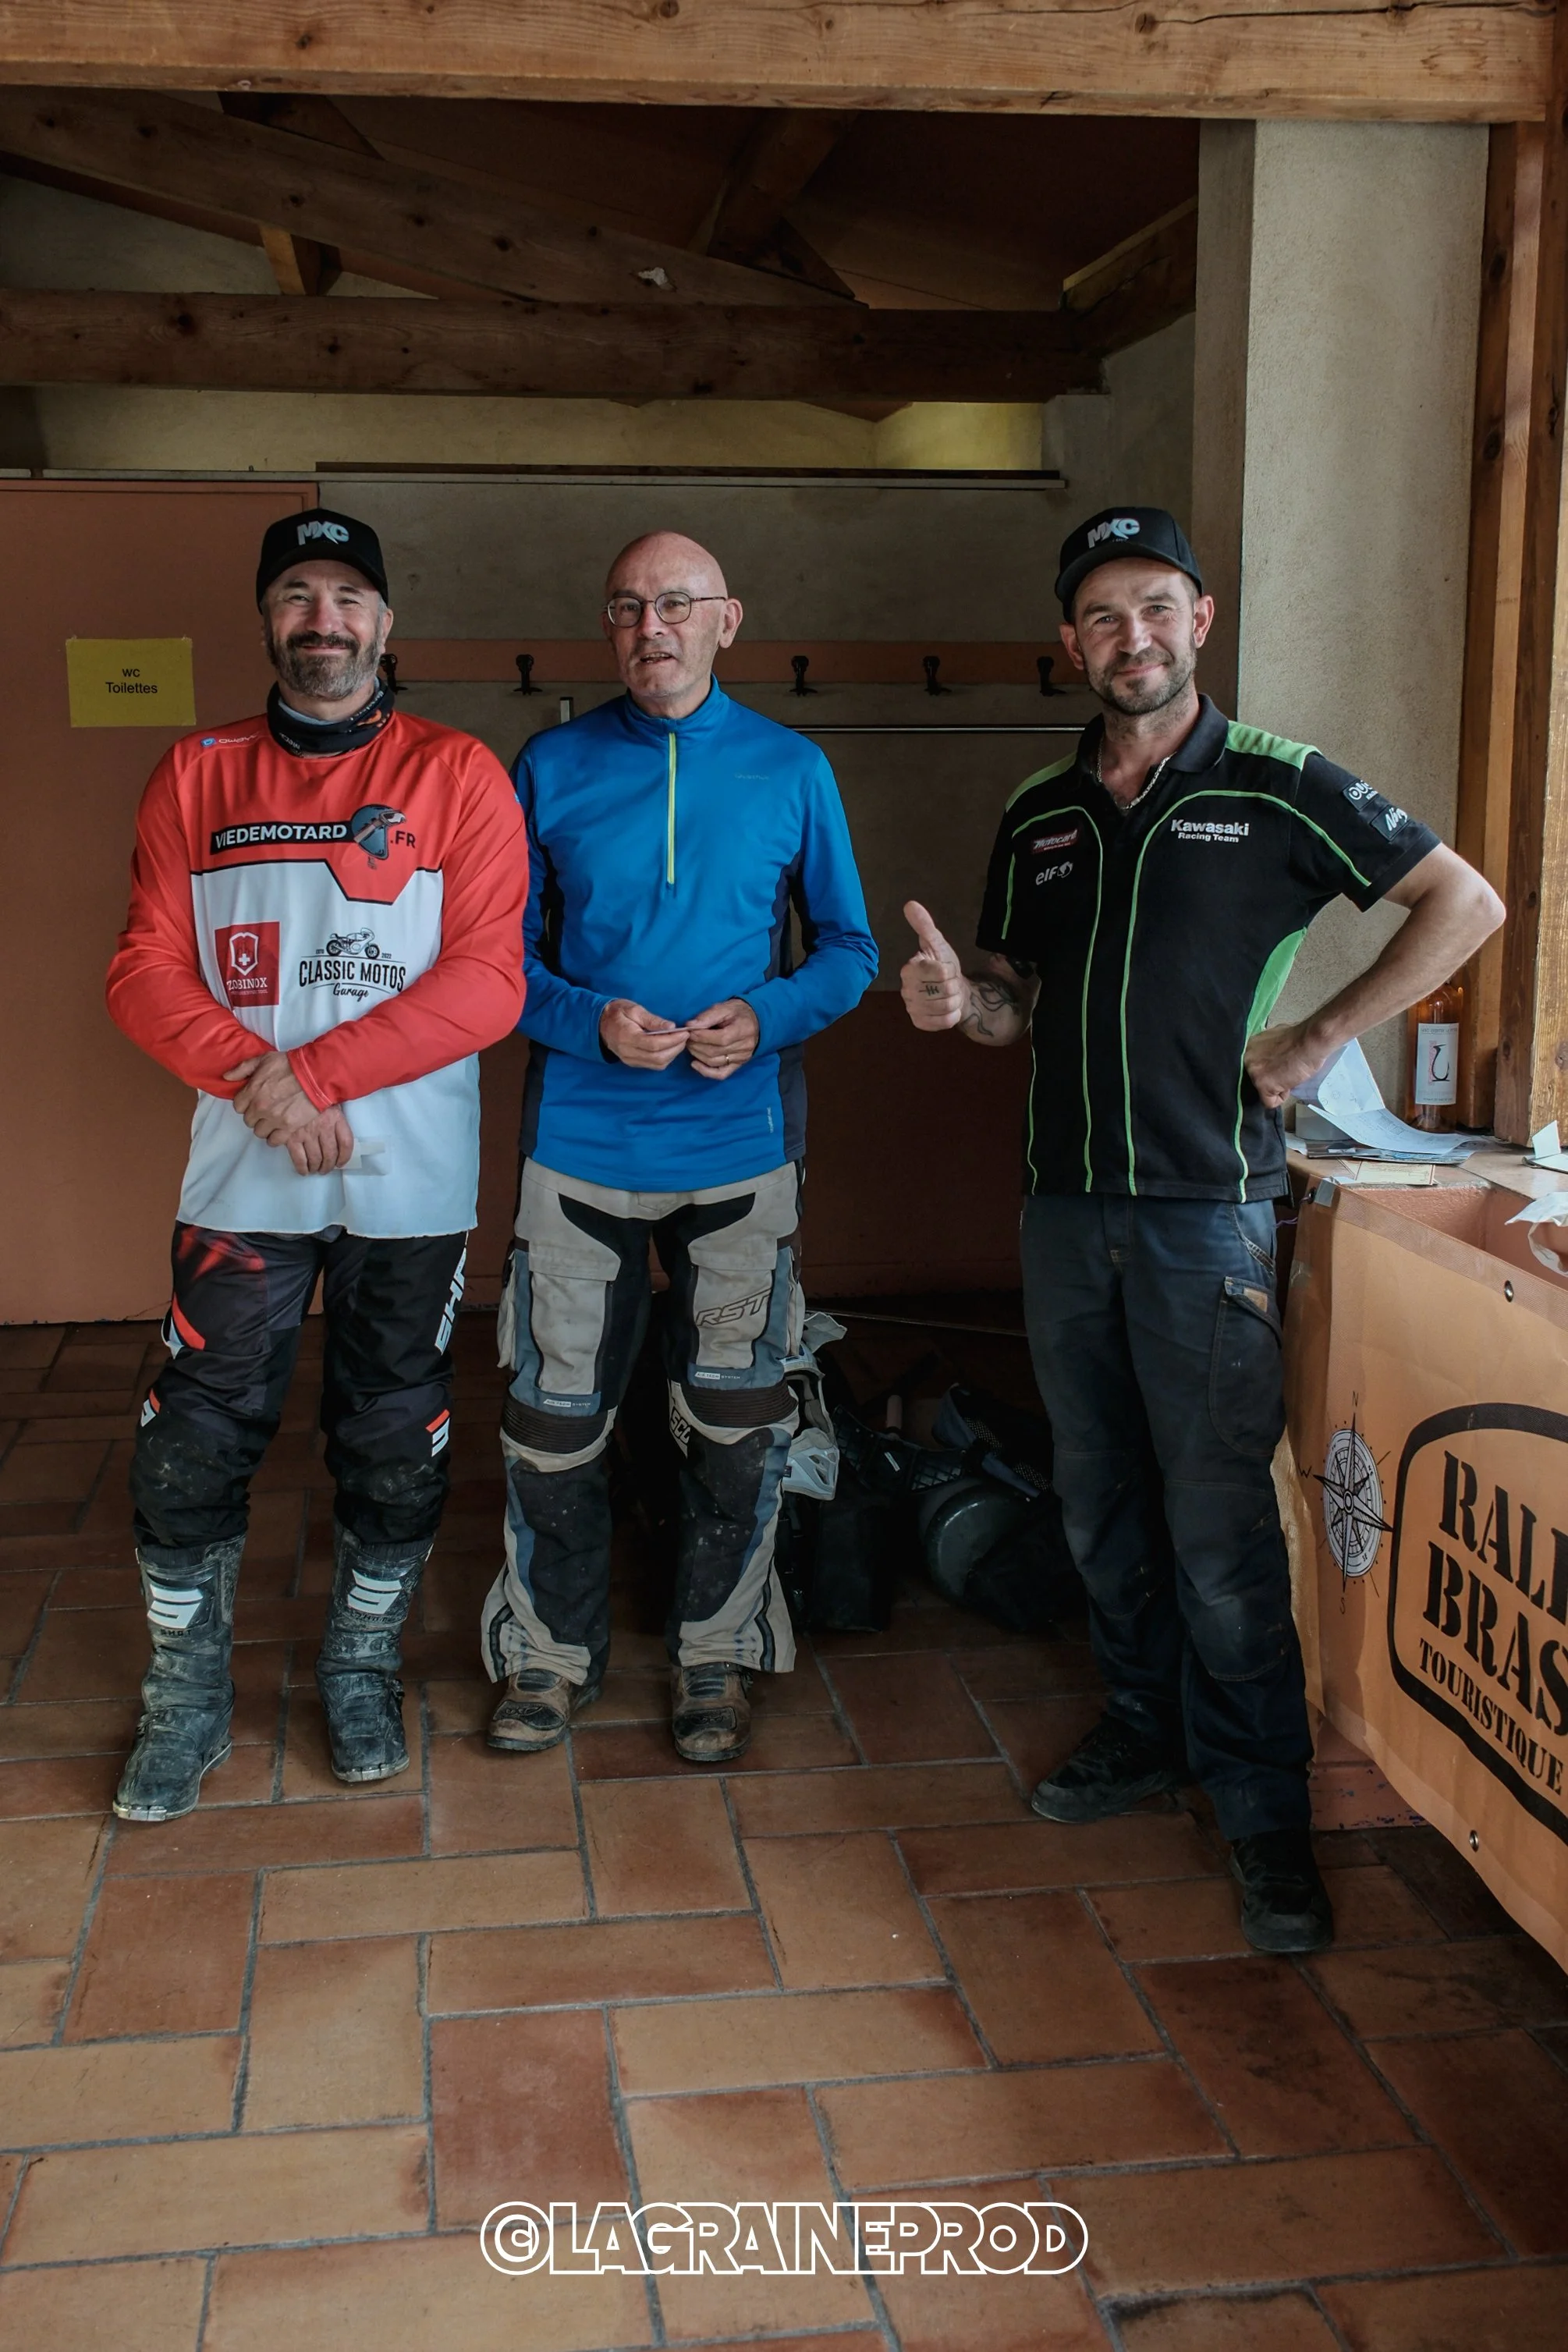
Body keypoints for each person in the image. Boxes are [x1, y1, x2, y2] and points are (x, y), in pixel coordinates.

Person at [899, 505, 1504, 1953]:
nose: (1133, 637)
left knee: (1221, 1529)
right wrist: (957, 1007)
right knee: (1101, 1501)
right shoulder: (1039, 812)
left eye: (1156, 608)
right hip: (1062, 1215)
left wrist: (1315, 1038)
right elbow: (1016, 1003)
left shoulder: (1280, 787)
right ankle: (1137, 1726)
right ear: (1072, 644)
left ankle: (1260, 1810)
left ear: (1200, 620)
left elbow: (1461, 899)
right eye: (1103, 616)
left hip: (1207, 1218)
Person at [105, 507, 529, 1822]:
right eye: (298, 593)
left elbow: (489, 980)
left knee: (393, 1431)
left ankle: (360, 1663)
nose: (324, 619)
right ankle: (185, 1696)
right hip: (245, 1172)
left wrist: (317, 1077)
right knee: (193, 1436)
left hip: (407, 1177)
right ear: (268, 618)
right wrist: (259, 1085)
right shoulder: (196, 771)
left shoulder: (459, 769)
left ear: (386, 622)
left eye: (348, 595)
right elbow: (143, 969)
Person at [480, 530, 877, 1764]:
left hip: (738, 1144)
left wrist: (767, 1014)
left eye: (674, 604)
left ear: (726, 619)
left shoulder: (792, 767)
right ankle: (546, 1656)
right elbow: (499, 965)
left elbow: (848, 952)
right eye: (625, 608)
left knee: (737, 1411)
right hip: (581, 1146)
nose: (649, 626)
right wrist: (583, 1019)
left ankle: (715, 1653)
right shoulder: (547, 764)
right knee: (552, 1418)